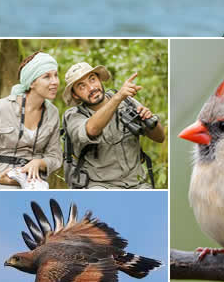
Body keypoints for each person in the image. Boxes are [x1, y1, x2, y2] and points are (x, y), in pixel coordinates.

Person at [62, 61, 165, 189]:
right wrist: (118, 97)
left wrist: (150, 121)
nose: (91, 88)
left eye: (92, 79)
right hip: (98, 186)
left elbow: (160, 137)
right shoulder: (73, 116)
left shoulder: (127, 102)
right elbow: (92, 129)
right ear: (75, 95)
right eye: (81, 86)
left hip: (137, 184)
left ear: (99, 79)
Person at [0, 51, 62, 190]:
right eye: (47, 77)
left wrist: (39, 163)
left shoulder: (53, 113)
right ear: (31, 82)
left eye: (56, 75)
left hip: (33, 182)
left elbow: (55, 157)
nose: (55, 81)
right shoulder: (0, 108)